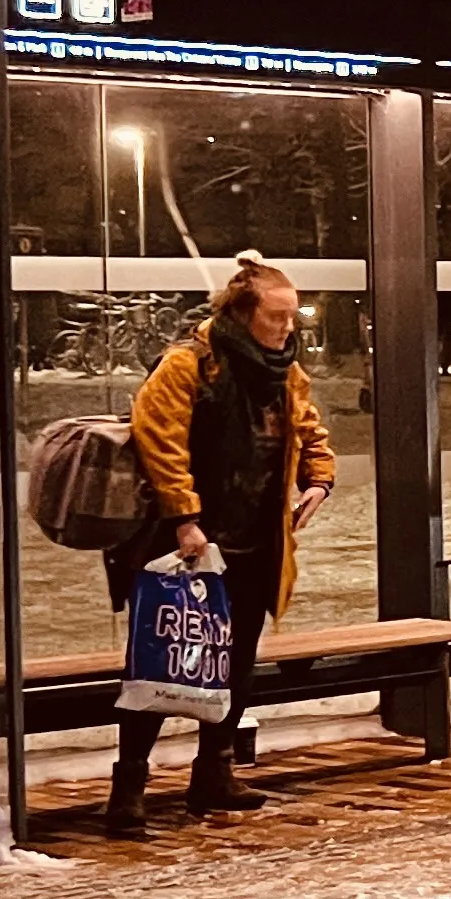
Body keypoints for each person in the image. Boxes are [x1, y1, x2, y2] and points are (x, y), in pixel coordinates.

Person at [104, 253, 337, 839]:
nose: (287, 329)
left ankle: (215, 771)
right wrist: (185, 517)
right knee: (162, 663)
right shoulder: (189, 366)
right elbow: (160, 442)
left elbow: (307, 427)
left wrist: (320, 476)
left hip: (255, 539)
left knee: (233, 662)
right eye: (276, 317)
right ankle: (128, 788)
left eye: (292, 319)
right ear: (241, 311)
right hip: (183, 544)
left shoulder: (285, 370)